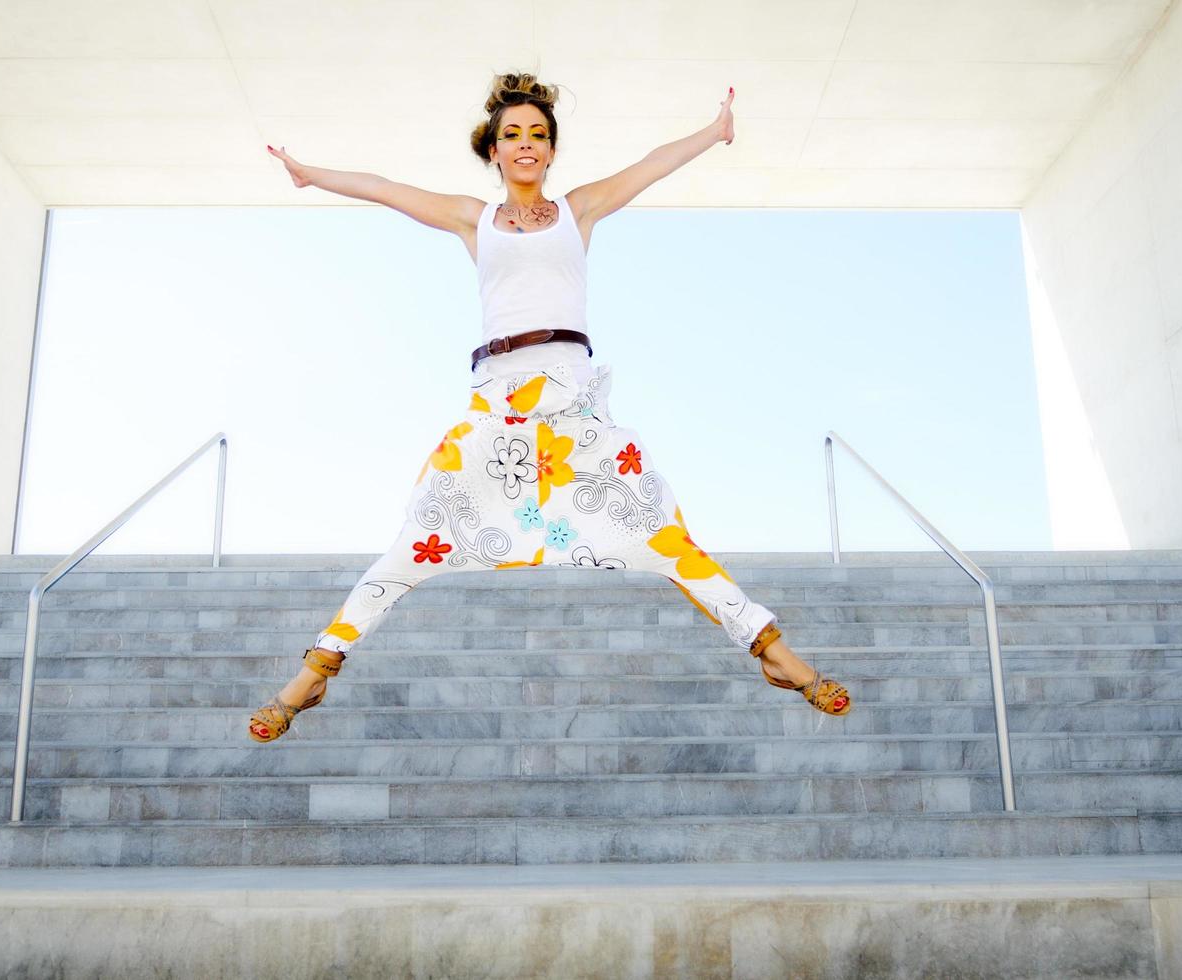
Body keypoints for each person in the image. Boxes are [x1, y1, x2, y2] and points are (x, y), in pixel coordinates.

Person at [249, 72, 851, 742]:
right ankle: (321, 665)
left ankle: (770, 651)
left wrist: (715, 131)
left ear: (551, 150)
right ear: (494, 151)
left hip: (574, 412)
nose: (526, 144)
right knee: (421, 539)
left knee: (662, 533)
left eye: (538, 134)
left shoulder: (577, 210)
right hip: (497, 413)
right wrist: (309, 175)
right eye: (513, 135)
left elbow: (650, 166)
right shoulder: (470, 217)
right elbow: (385, 188)